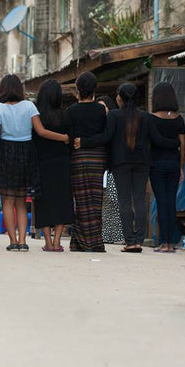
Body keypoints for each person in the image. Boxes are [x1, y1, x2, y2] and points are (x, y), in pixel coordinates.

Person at [0, 74, 68, 252]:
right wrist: (63, 138)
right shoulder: (29, 106)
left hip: (5, 153)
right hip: (26, 152)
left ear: (2, 89)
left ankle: (13, 241)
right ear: (19, 89)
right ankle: (23, 240)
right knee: (20, 201)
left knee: (7, 201)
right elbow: (41, 131)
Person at [74, 82, 180, 253]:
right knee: (139, 200)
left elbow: (105, 137)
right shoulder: (145, 117)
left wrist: (84, 141)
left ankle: (130, 241)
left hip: (120, 163)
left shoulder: (114, 116)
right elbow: (157, 139)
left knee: (124, 201)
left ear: (120, 98)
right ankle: (138, 241)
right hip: (142, 163)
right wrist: (176, 142)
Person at [66, 72, 108, 252]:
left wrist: (81, 142)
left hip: (78, 158)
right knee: (96, 200)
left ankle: (80, 241)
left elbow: (69, 137)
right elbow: (106, 136)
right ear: (94, 89)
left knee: (81, 200)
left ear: (78, 90)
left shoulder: (71, 111)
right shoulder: (102, 110)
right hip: (98, 159)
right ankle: (96, 241)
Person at [33, 79, 74, 252]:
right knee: (61, 201)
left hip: (42, 163)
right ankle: (57, 242)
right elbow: (70, 140)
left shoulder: (36, 116)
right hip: (62, 163)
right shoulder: (66, 115)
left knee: (44, 201)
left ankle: (47, 242)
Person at [149, 82, 185, 253]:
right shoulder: (179, 119)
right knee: (171, 202)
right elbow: (183, 145)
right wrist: (180, 168)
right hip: (173, 164)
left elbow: (151, 143)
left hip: (156, 165)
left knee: (161, 202)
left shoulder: (152, 119)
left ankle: (163, 242)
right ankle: (170, 243)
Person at [96, 95, 124, 244]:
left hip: (114, 167)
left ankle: (119, 235)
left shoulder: (115, 122)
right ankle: (105, 235)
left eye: (103, 106)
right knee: (104, 203)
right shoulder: (98, 125)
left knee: (115, 201)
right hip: (102, 167)